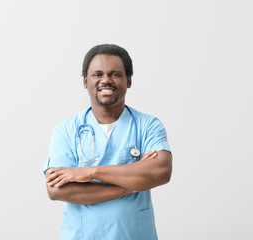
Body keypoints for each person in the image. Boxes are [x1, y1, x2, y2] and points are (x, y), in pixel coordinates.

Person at [44, 44, 172, 240]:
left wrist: (88, 172)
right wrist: (132, 185)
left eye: (115, 74)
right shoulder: (66, 129)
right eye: (97, 74)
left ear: (128, 80)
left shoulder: (148, 125)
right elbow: (56, 190)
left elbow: (160, 171)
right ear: (85, 81)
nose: (106, 80)